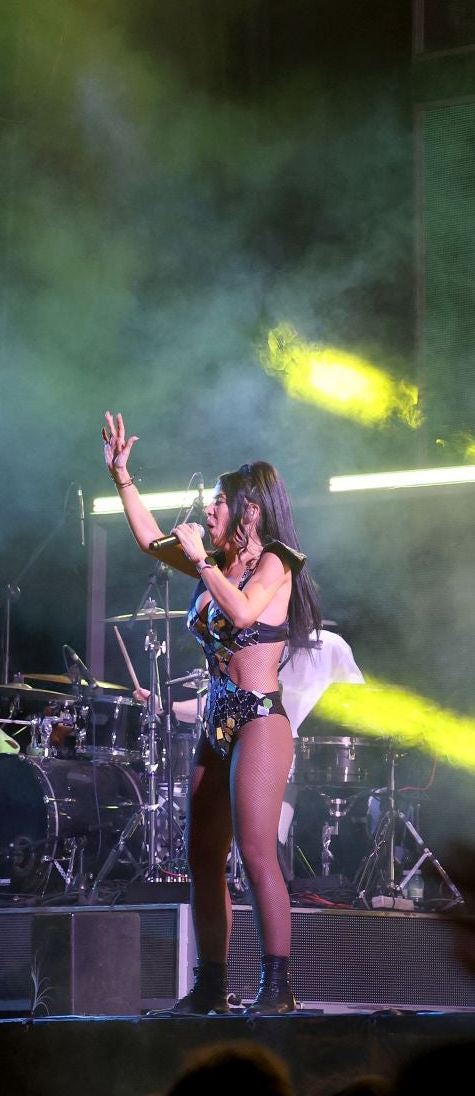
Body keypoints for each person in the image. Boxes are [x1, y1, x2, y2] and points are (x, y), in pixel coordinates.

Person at [102, 415, 321, 1013]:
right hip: (216, 724)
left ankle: (278, 986)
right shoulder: (216, 562)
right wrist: (122, 477)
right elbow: (150, 539)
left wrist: (202, 561)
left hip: (260, 720)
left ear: (250, 510)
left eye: (220, 502)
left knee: (256, 851)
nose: (209, 509)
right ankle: (211, 985)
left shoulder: (276, 561)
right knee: (202, 856)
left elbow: (245, 613)